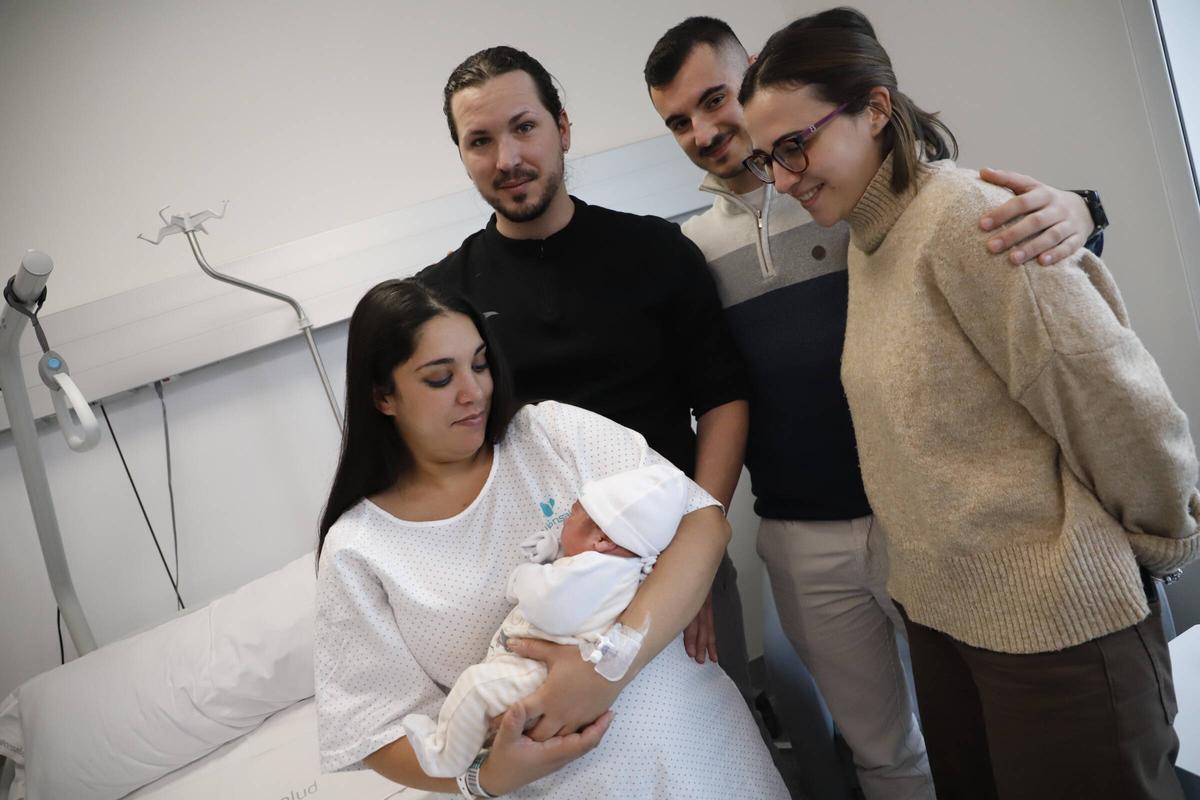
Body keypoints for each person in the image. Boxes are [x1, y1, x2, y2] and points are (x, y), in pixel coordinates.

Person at [738, 8, 1198, 799]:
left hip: (1057, 631)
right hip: (950, 627)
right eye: (765, 158)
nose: (781, 178)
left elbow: (1110, 395)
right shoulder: (871, 243)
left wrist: (1163, 540)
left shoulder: (967, 220)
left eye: (795, 145)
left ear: (875, 109)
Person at [642, 16, 1105, 800]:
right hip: (797, 533)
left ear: (752, 72)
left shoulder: (851, 187)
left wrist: (1084, 209)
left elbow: (990, 233)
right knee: (885, 755)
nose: (702, 130)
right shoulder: (688, 250)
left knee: (988, 729)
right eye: (677, 121)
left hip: (920, 513)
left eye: (715, 98)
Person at [314, 279, 789, 799]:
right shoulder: (359, 548)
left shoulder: (550, 435)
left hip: (698, 749)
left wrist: (604, 670)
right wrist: (487, 778)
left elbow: (703, 521)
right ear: (383, 395)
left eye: (479, 364)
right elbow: (376, 729)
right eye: (439, 379)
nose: (473, 391)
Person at [418, 46, 756, 701]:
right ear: (462, 156)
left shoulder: (657, 252)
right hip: (539, 588)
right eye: (480, 141)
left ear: (562, 128)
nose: (507, 159)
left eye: (524, 127)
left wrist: (697, 555)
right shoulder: (444, 302)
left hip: (678, 554)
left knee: (726, 749)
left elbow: (723, 399)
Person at [401, 463, 689, 777]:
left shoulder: (592, 572)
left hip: (541, 675)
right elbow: (575, 565)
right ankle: (467, 742)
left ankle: (442, 756)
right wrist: (554, 548)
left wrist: (521, 578)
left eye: (574, 513)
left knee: (475, 688)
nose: (565, 518)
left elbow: (550, 605)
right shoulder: (616, 566)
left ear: (603, 540)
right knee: (482, 700)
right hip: (551, 667)